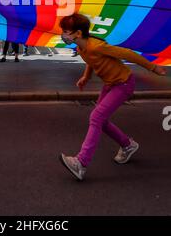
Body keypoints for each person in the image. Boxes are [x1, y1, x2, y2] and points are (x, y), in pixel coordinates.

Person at [59, 13, 166, 181]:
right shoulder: (81, 48)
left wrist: (153, 68)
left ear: (78, 33)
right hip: (110, 84)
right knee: (102, 121)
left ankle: (81, 162)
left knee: (96, 117)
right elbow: (91, 61)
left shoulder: (97, 46)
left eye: (65, 31)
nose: (63, 35)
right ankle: (128, 145)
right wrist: (86, 77)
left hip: (123, 83)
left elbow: (127, 54)